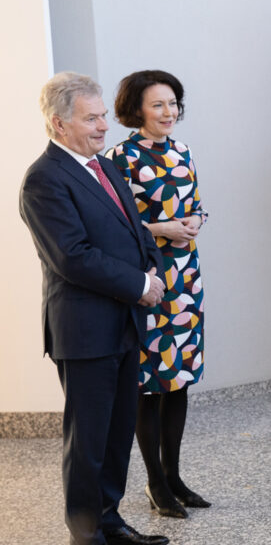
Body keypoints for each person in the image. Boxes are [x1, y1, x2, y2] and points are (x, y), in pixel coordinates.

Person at [19, 72, 169, 545]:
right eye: (92, 118)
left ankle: (110, 521)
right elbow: (72, 256)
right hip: (84, 331)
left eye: (104, 115)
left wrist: (153, 268)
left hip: (124, 322)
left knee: (117, 432)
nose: (105, 126)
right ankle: (85, 534)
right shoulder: (44, 179)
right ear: (59, 123)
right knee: (87, 442)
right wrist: (139, 283)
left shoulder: (104, 167)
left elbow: (138, 233)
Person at [108, 70, 210, 519]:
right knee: (149, 383)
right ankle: (154, 483)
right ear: (136, 110)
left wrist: (194, 223)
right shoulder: (119, 158)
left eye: (173, 104)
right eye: (158, 105)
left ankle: (175, 476)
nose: (169, 113)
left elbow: (195, 205)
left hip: (186, 276)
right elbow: (111, 228)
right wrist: (162, 229)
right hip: (148, 280)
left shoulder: (184, 151)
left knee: (179, 379)